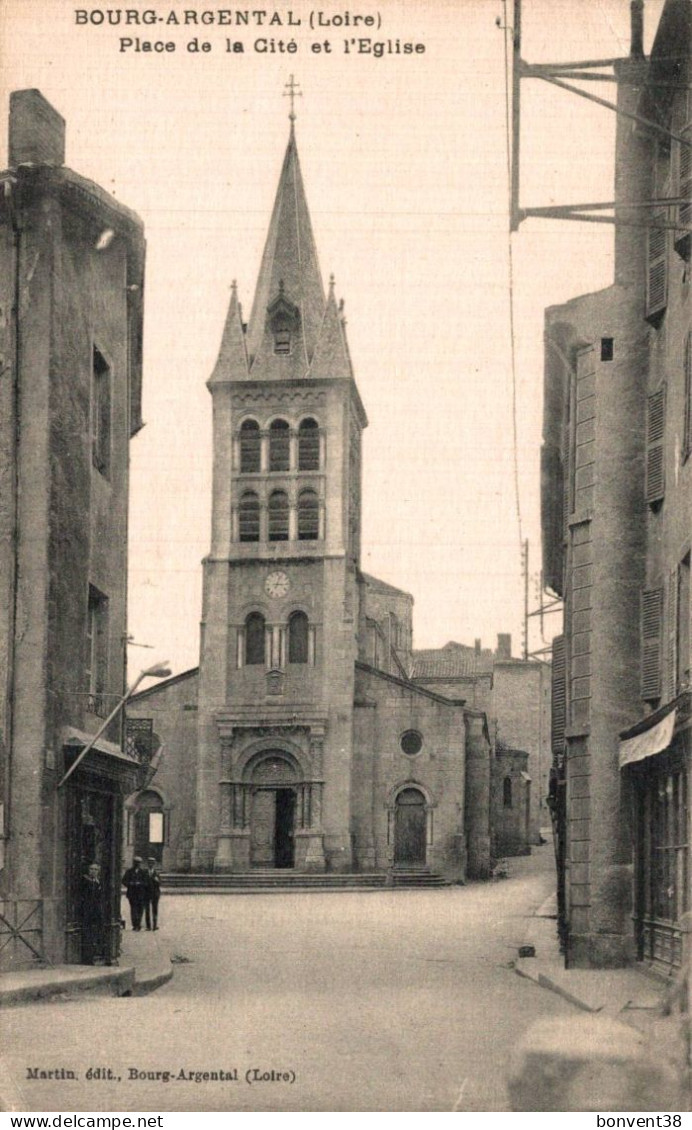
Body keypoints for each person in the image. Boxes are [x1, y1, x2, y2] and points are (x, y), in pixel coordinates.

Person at [80, 862, 104, 965]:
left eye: (95, 869)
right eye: (91, 869)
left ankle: (95, 956)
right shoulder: (85, 881)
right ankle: (87, 958)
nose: (93, 871)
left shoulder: (97, 882)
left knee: (94, 934)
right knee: (87, 935)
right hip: (86, 912)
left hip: (95, 913)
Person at [121, 856, 148, 930]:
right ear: (133, 863)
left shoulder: (143, 872)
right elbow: (124, 881)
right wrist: (130, 883)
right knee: (133, 909)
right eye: (136, 862)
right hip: (132, 893)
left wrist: (139, 883)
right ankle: (134, 925)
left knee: (140, 909)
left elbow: (146, 882)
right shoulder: (129, 871)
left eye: (139, 862)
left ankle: (138, 924)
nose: (137, 864)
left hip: (141, 893)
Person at [145, 857, 161, 931]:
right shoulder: (144, 872)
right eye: (149, 863)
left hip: (155, 894)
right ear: (147, 864)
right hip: (147, 894)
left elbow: (160, 883)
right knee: (147, 910)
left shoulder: (157, 873)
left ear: (154, 864)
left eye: (152, 863)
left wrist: (157, 881)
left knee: (155, 910)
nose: (151, 864)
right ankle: (148, 926)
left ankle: (154, 925)